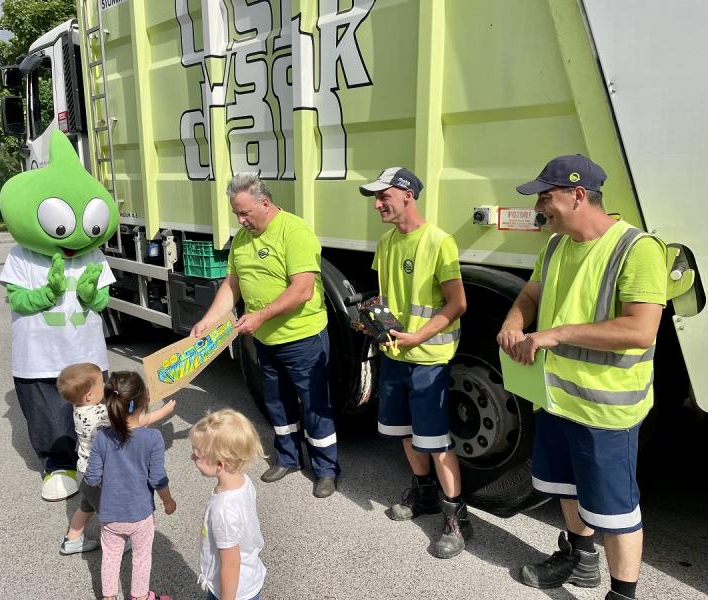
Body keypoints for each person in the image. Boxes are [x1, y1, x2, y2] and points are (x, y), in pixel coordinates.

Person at [497, 155, 667, 600]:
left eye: (546, 197)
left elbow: (640, 329)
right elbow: (531, 293)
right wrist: (515, 322)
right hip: (555, 398)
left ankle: (622, 594)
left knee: (615, 509)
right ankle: (581, 559)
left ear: (578, 195)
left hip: (605, 409)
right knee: (564, 488)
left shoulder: (638, 248)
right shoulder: (556, 245)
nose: (540, 207)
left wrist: (555, 334)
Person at [191, 173, 340, 498]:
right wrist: (208, 321)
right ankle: (288, 458)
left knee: (315, 405)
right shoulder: (242, 241)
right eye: (236, 214)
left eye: (245, 213)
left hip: (302, 338)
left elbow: (301, 290)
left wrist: (259, 315)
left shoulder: (294, 230)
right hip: (266, 340)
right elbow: (232, 287)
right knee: (276, 401)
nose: (241, 220)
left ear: (265, 203)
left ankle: (326, 469)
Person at [0, 129, 119, 501]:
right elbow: (17, 299)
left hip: (85, 352)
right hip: (40, 354)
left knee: (93, 409)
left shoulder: (93, 255)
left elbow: (103, 298)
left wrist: (90, 295)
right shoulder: (21, 255)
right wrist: (44, 295)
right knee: (48, 411)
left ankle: (98, 459)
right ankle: (58, 464)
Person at [360, 167, 470, 559]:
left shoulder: (439, 242)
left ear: (407, 195)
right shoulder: (387, 241)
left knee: (436, 441)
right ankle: (423, 494)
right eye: (375, 198)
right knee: (405, 433)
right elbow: (386, 296)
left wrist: (417, 337)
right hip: (395, 356)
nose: (377, 205)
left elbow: (458, 304)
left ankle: (457, 519)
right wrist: (373, 318)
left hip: (428, 360)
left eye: (383, 196)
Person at [56, 363, 177, 555]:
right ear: (89, 396)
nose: (105, 387)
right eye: (101, 384)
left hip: (84, 471)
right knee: (110, 513)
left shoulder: (78, 408)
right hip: (100, 475)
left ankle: (72, 539)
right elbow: (134, 421)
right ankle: (119, 541)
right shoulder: (101, 415)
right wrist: (163, 412)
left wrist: (136, 400)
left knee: (87, 505)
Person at [84, 371, 177, 600]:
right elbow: (157, 479)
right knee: (142, 556)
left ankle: (108, 597)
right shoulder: (153, 438)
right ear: (146, 398)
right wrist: (168, 500)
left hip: (110, 514)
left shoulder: (102, 438)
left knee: (111, 555)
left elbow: (92, 478)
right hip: (140, 514)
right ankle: (140, 596)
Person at [190, 409, 267, 600]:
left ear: (220, 464)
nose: (192, 457)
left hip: (233, 591)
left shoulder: (223, 510)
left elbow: (231, 564)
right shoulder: (244, 481)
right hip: (249, 577)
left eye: (197, 454)